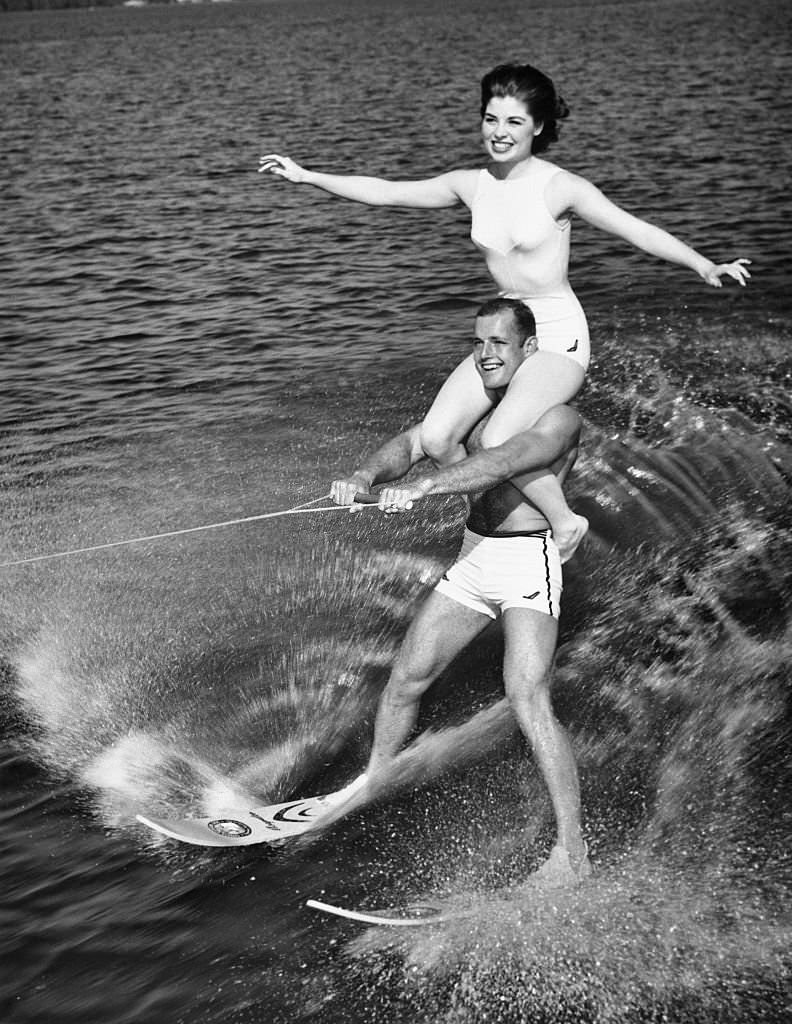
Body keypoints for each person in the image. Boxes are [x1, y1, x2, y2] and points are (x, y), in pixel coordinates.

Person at [259, 61, 750, 562]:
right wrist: (305, 176)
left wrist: (703, 264)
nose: (499, 132)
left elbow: (635, 229)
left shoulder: (562, 188)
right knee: (436, 435)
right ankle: (498, 509)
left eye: (514, 122)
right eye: (491, 119)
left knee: (498, 434)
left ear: (538, 126)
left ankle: (565, 521)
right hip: (508, 327)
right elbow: (386, 192)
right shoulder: (469, 184)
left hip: (557, 332)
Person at [330, 297, 590, 886]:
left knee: (528, 696)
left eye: (499, 343)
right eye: (478, 343)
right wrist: (365, 477)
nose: (486, 354)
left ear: (529, 350)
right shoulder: (472, 409)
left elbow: (510, 459)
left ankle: (571, 854)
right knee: (405, 681)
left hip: (529, 562)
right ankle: (374, 782)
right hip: (475, 558)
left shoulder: (559, 417)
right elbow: (415, 442)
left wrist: (427, 489)